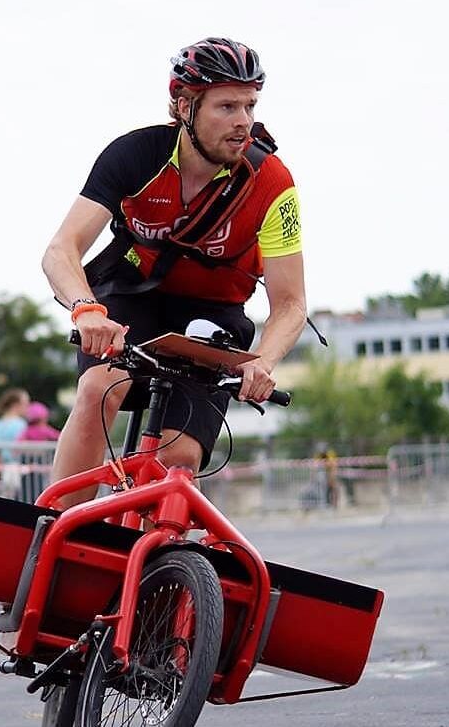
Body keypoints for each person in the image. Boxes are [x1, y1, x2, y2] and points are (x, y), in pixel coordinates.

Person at [41, 37, 308, 508]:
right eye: (227, 106)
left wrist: (263, 361)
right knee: (99, 390)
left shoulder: (273, 184)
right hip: (133, 298)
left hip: (214, 314)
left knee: (179, 457)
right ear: (184, 105)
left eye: (249, 105)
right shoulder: (134, 155)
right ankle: (52, 531)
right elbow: (62, 250)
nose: (243, 121)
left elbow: (290, 304)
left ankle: (164, 567)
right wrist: (85, 310)